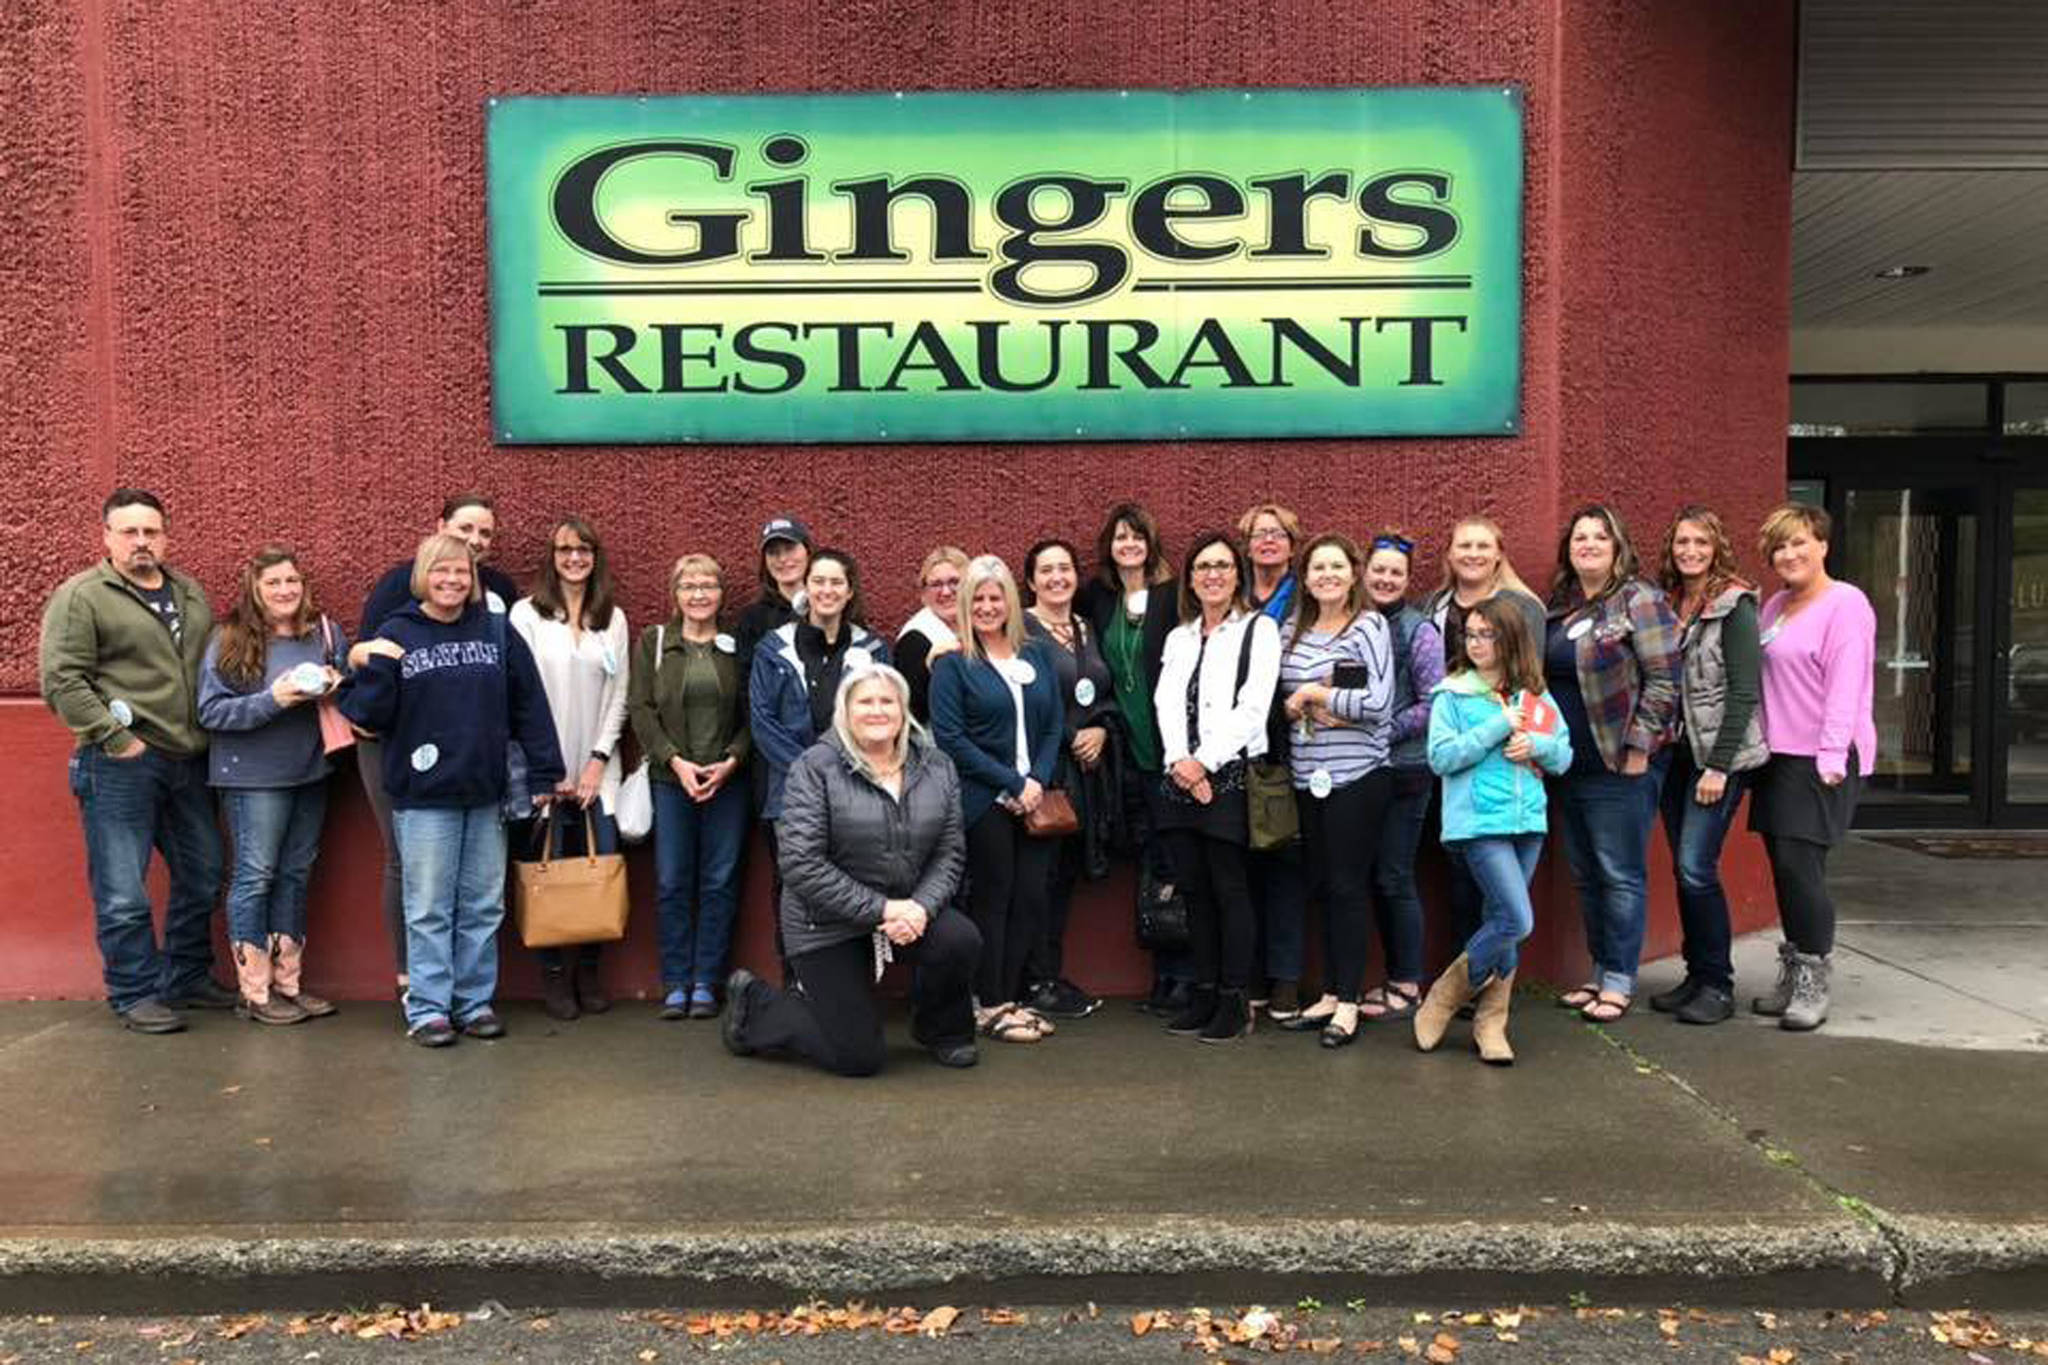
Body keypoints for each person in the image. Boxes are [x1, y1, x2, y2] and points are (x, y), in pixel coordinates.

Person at [339, 533, 565, 1047]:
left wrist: (544, 773)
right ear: (423, 575)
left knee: (484, 904)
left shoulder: (496, 630)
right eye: (441, 571)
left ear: (474, 578)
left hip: (486, 791)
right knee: (428, 906)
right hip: (423, 796)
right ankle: (428, 1009)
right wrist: (370, 664)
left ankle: (474, 1002)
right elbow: (366, 715)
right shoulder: (397, 631)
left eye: (461, 572)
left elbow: (529, 704)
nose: (452, 580)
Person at [723, 665, 979, 1075]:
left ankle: (941, 1030)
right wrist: (883, 910)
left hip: (906, 910)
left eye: (887, 701)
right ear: (845, 710)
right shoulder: (814, 767)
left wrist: (920, 908)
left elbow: (950, 853)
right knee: (858, 1059)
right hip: (823, 923)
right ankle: (758, 1006)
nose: (877, 711)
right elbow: (801, 864)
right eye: (865, 701)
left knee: (959, 939)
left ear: (903, 709)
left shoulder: (937, 766)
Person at [40, 488, 229, 1033]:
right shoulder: (83, 596)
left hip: (187, 760)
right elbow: (62, 679)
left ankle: (187, 977)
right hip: (119, 762)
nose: (142, 541)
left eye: (151, 531)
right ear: (107, 537)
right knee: (123, 887)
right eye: (130, 532)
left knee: (204, 871)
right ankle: (134, 992)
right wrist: (112, 736)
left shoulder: (188, 593)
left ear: (166, 536)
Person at [351, 493, 518, 1003]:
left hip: (472, 754)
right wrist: (360, 671)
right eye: (466, 528)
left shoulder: (499, 594)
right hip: (395, 748)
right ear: (439, 525)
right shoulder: (399, 584)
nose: (474, 541)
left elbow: (513, 673)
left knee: (476, 887)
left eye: (485, 534)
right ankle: (413, 982)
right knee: (409, 863)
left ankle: (467, 994)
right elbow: (370, 654)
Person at [1415, 596, 1573, 1064]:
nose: (1478, 643)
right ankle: (1446, 994)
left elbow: (1564, 757)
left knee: (1500, 922)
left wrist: (1536, 746)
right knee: (1516, 920)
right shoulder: (1453, 694)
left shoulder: (1534, 693)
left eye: (1489, 634)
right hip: (1480, 824)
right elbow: (1441, 758)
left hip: (1528, 823)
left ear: (1510, 639)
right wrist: (1496, 729)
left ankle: (1491, 1024)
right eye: (1472, 634)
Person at [197, 546, 349, 1025]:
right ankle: (255, 993)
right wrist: (273, 699)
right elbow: (211, 712)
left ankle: (289, 984)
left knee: (295, 875)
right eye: (273, 584)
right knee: (255, 875)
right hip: (252, 778)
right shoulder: (229, 638)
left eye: (292, 582)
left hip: (311, 772)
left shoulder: (323, 632)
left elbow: (349, 684)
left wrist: (334, 681)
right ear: (255, 590)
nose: (285, 591)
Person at [1544, 504, 1681, 1023]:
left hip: (1617, 764)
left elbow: (1666, 679)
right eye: (1580, 537)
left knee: (1619, 873)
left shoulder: (1640, 600)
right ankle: (1600, 971)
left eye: (1600, 537)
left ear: (1618, 546)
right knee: (1585, 874)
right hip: (1567, 765)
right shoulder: (1563, 607)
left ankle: (1621, 979)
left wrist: (1640, 747)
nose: (1589, 545)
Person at [1748, 503, 1876, 1032]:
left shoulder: (1846, 604)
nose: (1790, 554)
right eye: (1779, 546)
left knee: (1803, 870)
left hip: (1823, 759)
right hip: (1778, 757)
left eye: (1799, 542)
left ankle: (1814, 979)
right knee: (1783, 869)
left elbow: (1846, 686)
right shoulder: (1776, 605)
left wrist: (1830, 756)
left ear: (1822, 544)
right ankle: (1793, 967)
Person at [1153, 531, 1282, 1044]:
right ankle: (1202, 990)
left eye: (1223, 565)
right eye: (1203, 566)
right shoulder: (1179, 637)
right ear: (1190, 577)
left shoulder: (1259, 630)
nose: (1213, 574)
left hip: (1229, 775)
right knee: (1194, 891)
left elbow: (1254, 709)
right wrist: (1179, 765)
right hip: (1178, 776)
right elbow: (1165, 705)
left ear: (1237, 574)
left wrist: (1204, 764)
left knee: (1230, 890)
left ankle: (1234, 998)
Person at [931, 555, 1064, 1043]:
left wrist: (1036, 782)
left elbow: (1053, 726)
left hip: (1035, 800)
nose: (988, 607)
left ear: (1011, 601)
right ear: (967, 605)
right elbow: (950, 737)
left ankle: (1009, 998)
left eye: (996, 597)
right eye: (979, 599)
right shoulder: (954, 664)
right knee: (994, 898)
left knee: (1031, 899)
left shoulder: (1037, 655)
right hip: (983, 801)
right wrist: (1010, 783)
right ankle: (989, 1003)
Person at [1274, 533, 1395, 1047]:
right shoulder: (1290, 630)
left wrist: (1317, 694)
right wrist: (1296, 702)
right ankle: (1327, 992)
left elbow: (1379, 702)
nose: (1326, 575)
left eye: (1336, 567)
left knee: (1348, 887)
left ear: (1353, 574)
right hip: (1308, 777)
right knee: (1321, 885)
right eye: (1317, 567)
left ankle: (1348, 1002)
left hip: (1358, 778)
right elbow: (1278, 701)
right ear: (1305, 577)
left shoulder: (1369, 625)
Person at [1650, 506, 1769, 1026]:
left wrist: (1719, 768)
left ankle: (1718, 985)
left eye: (1700, 541)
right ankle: (1696, 974)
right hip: (1676, 755)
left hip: (1717, 760)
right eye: (1681, 542)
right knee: (1683, 868)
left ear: (1716, 546)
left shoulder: (1734, 604)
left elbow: (1745, 691)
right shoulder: (1670, 601)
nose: (1690, 551)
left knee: (1697, 868)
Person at [510, 516, 631, 1021]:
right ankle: (555, 977)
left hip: (598, 771)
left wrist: (597, 761)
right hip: (545, 771)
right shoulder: (527, 615)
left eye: (584, 549)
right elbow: (517, 694)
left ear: (595, 556)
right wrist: (547, 769)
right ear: (551, 556)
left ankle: (589, 971)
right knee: (549, 872)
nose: (575, 558)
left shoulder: (613, 618)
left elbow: (620, 693)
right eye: (565, 550)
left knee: (598, 867)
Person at [750, 548, 891, 967]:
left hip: (857, 789)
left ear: (849, 592)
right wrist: (814, 774)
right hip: (789, 793)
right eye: (819, 581)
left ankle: (850, 977)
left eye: (836, 583)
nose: (826, 590)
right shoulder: (772, 649)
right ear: (805, 589)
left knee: (853, 884)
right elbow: (762, 721)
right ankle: (796, 979)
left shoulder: (873, 651)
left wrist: (843, 773)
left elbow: (884, 719)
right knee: (793, 886)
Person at [629, 553, 752, 1020]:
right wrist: (675, 763)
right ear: (675, 594)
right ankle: (676, 980)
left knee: (720, 881)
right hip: (670, 780)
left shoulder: (737, 646)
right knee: (671, 881)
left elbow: (751, 713)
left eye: (708, 586)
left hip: (728, 782)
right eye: (689, 586)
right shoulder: (655, 642)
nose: (699, 594)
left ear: (722, 595)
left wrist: (731, 762)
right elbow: (640, 708)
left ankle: (706, 981)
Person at [1418, 516, 1544, 949]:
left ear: (1498, 554)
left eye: (1482, 546)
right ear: (1449, 555)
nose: (1472, 553)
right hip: (1450, 752)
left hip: (1505, 762)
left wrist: (1533, 747)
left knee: (1501, 894)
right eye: (1463, 546)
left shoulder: (1522, 607)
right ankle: (1468, 977)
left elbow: (1532, 685)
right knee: (1458, 875)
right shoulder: (1432, 605)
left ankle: (1486, 983)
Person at [1075, 502, 1181, 1013]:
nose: (1129, 545)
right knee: (1147, 861)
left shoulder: (1172, 595)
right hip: (1126, 752)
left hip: (1170, 751)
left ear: (1151, 542)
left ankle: (1183, 976)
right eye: (1120, 537)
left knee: (1176, 862)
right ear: (1108, 547)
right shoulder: (1097, 596)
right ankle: (1162, 975)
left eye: (1137, 536)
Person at [1021, 537, 1118, 1021]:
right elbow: (1025, 705)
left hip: (1085, 776)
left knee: (1062, 881)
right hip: (1045, 772)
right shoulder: (1021, 629)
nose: (1057, 578)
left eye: (1065, 568)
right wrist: (1067, 735)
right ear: (1031, 579)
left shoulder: (1084, 626)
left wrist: (1100, 729)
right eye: (1046, 570)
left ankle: (1049, 974)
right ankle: (1031, 980)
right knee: (1038, 879)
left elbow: (1103, 690)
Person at [1361, 530, 1443, 1022]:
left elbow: (1433, 702)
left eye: (1396, 573)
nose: (1386, 579)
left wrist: (1381, 732)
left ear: (1408, 580)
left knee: (1394, 876)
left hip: (1406, 771)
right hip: (1359, 773)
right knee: (1370, 876)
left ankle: (1407, 981)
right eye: (1379, 570)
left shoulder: (1419, 630)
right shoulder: (1354, 624)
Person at [1235, 502, 1309, 1018]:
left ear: (1291, 543)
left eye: (1277, 534)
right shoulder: (1232, 596)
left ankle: (1285, 978)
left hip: (1288, 746)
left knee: (1283, 861)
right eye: (1259, 534)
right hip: (1233, 745)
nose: (1267, 542)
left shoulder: (1303, 596)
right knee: (1242, 868)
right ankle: (1251, 975)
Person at [896, 546, 968, 724]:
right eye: (936, 584)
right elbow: (914, 715)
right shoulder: (915, 640)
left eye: (954, 582)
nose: (946, 592)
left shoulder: (983, 626)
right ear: (923, 594)